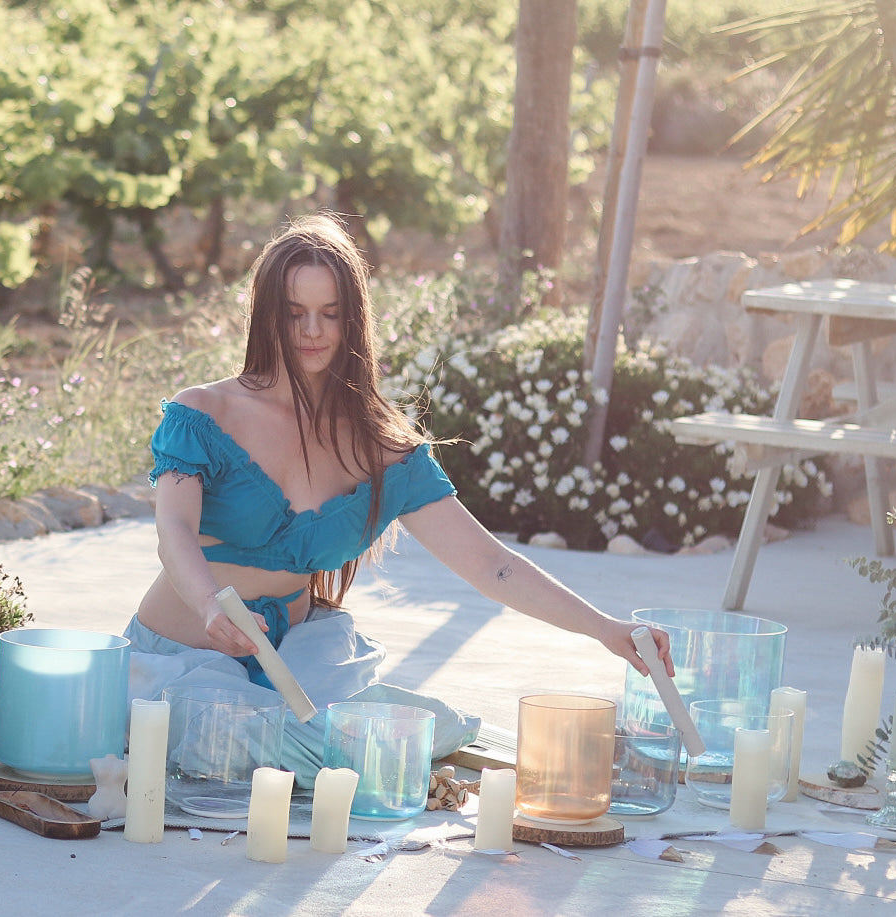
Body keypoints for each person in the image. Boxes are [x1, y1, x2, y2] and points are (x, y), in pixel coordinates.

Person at [123, 212, 674, 786]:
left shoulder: (383, 447)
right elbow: (175, 535)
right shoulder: (205, 413)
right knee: (262, 738)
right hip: (183, 658)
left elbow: (493, 565)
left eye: (330, 314)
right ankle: (334, 750)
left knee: (413, 728)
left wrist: (607, 630)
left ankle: (344, 748)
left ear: (353, 320)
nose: (313, 331)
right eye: (294, 314)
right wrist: (213, 605)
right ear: (266, 317)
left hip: (297, 663)